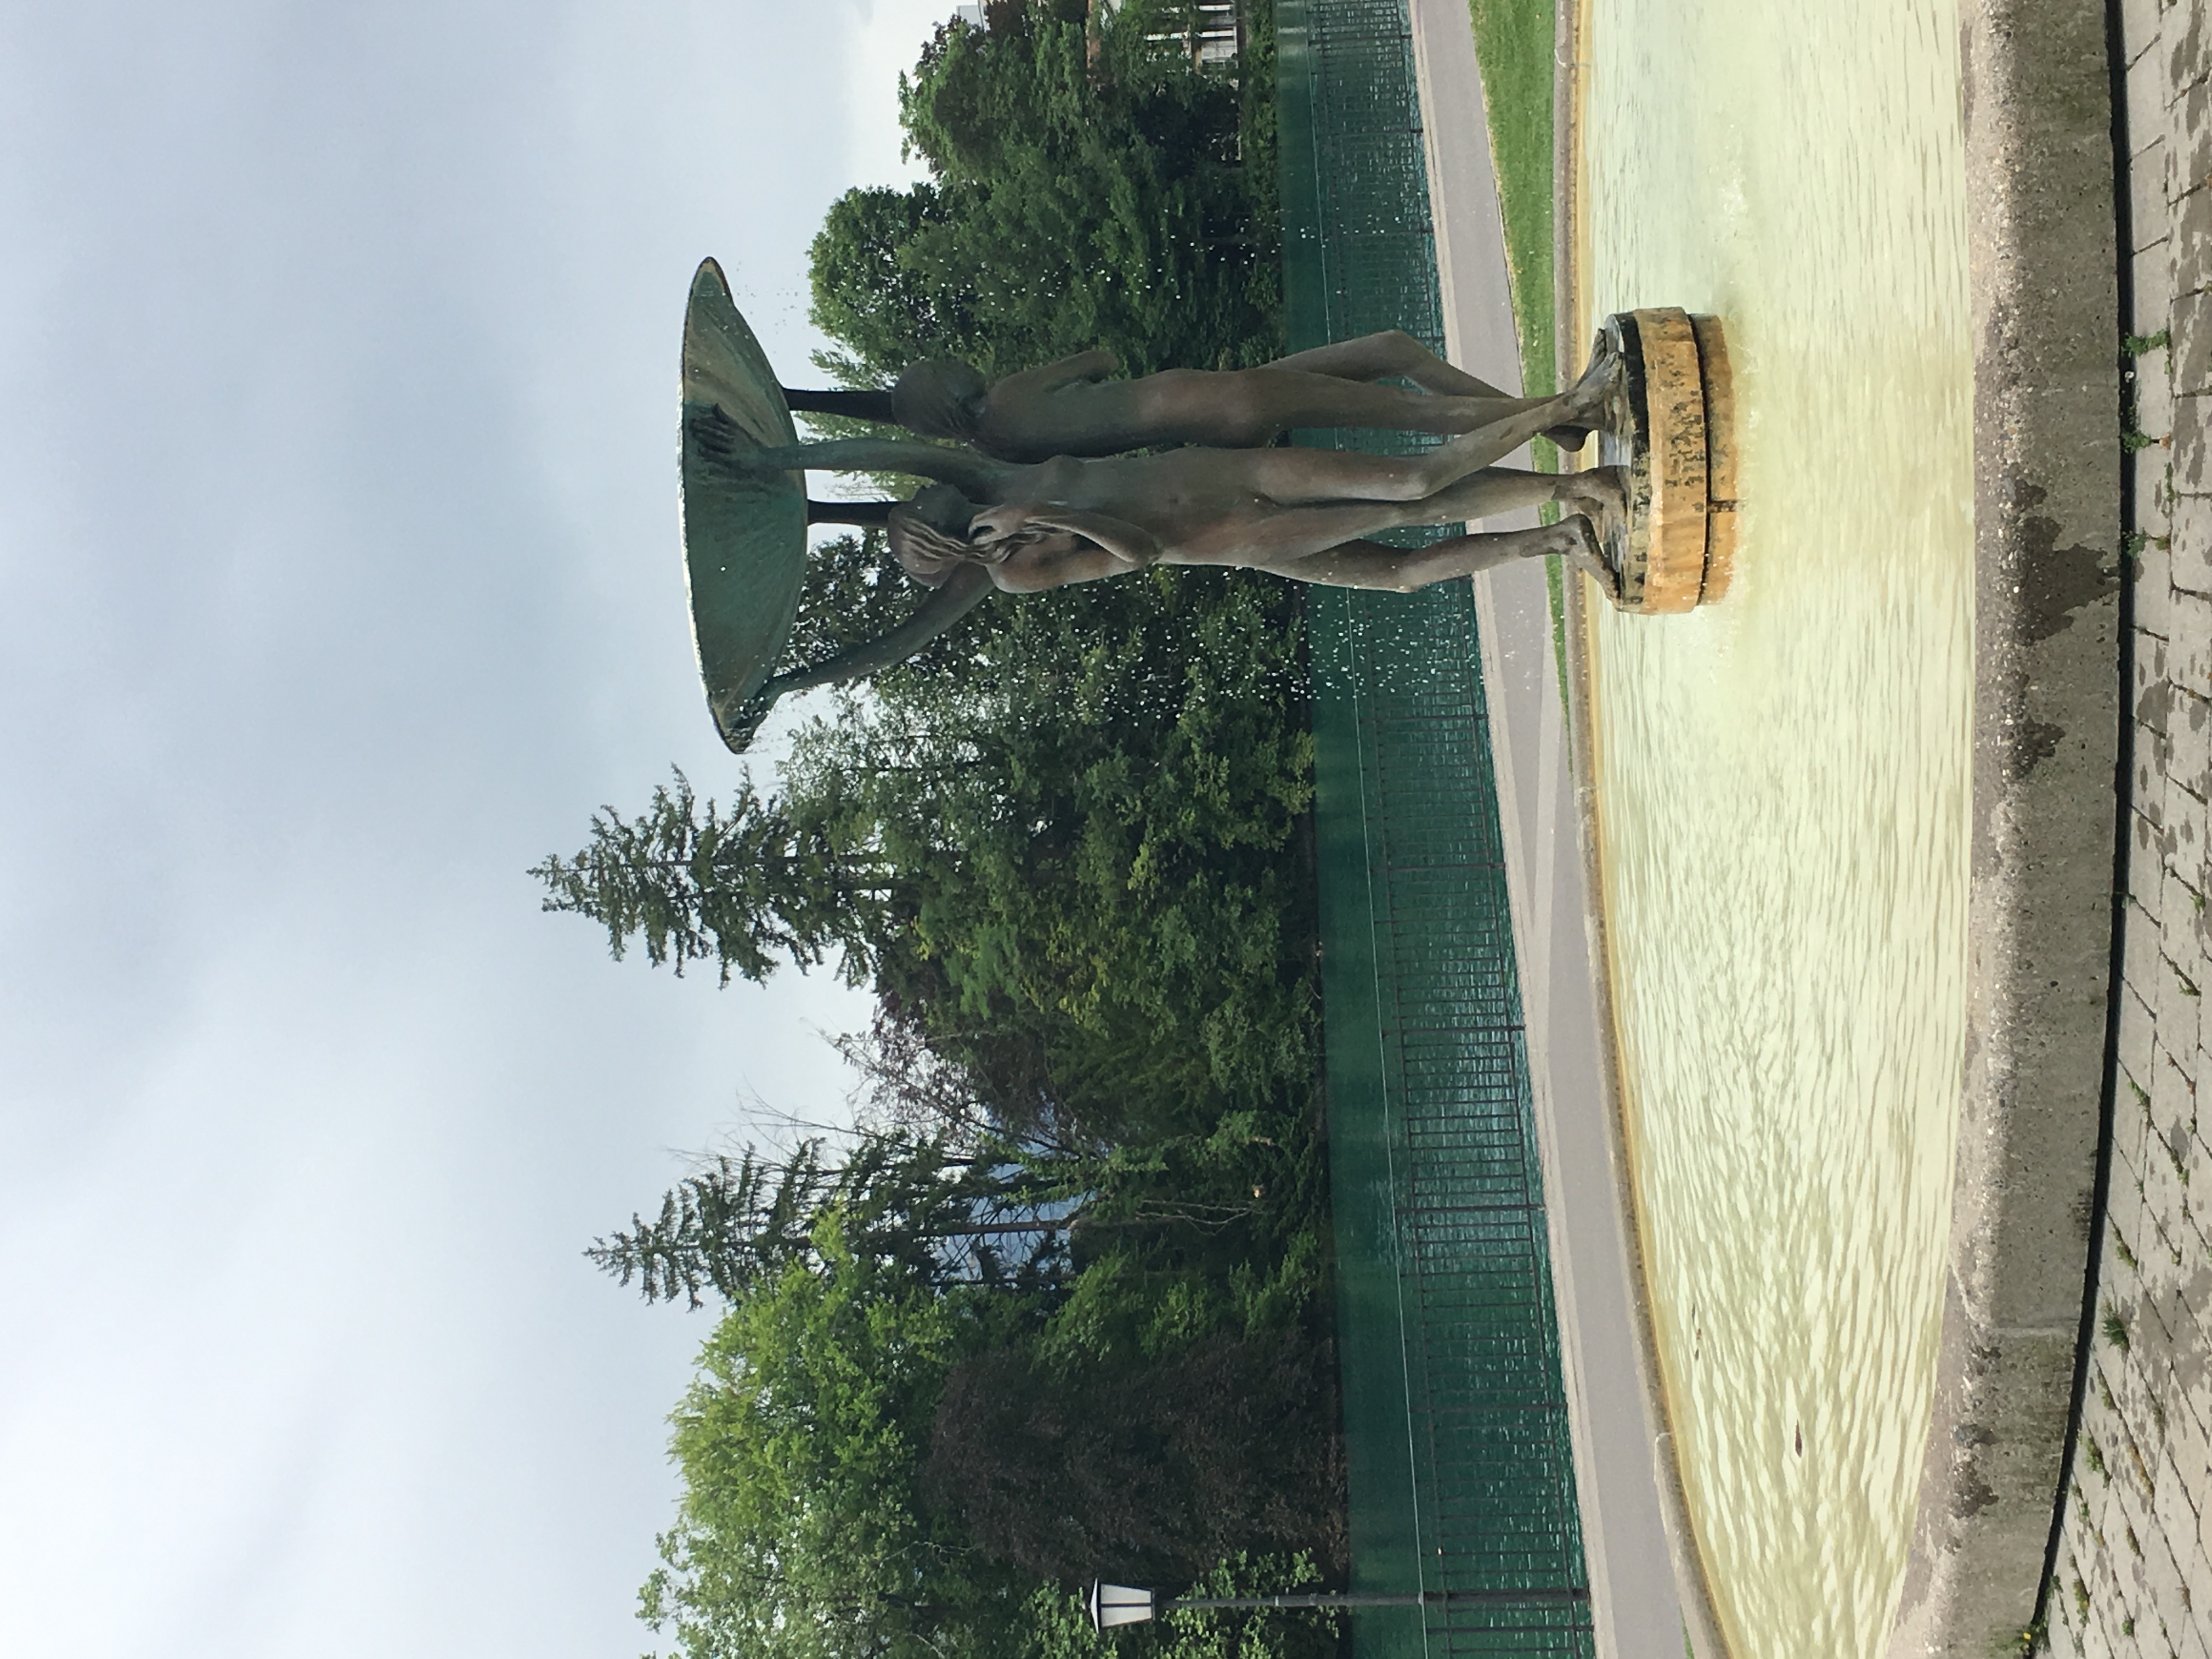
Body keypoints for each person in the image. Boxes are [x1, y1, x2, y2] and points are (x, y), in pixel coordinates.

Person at [780, 330, 1595, 463]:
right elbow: (1099, 356)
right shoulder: (1010, 394)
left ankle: (1554, 428)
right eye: (947, 366)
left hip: (1218, 419)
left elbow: (891, 422)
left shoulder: (993, 445)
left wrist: (795, 402)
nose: (959, 362)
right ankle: (1570, 408)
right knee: (1410, 412)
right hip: (1226, 399)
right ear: (949, 389)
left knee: (1386, 354)